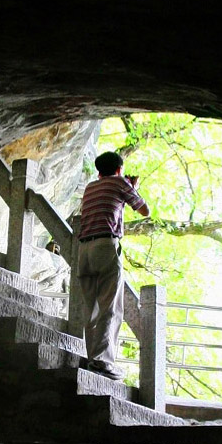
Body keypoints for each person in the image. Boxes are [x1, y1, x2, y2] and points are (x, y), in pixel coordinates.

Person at [76, 151, 150, 380]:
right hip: (105, 246)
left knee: (91, 308)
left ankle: (93, 358)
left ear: (98, 171)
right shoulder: (120, 182)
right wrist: (131, 186)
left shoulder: (90, 187)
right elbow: (145, 210)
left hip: (84, 250)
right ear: (119, 169)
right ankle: (103, 362)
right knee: (110, 306)